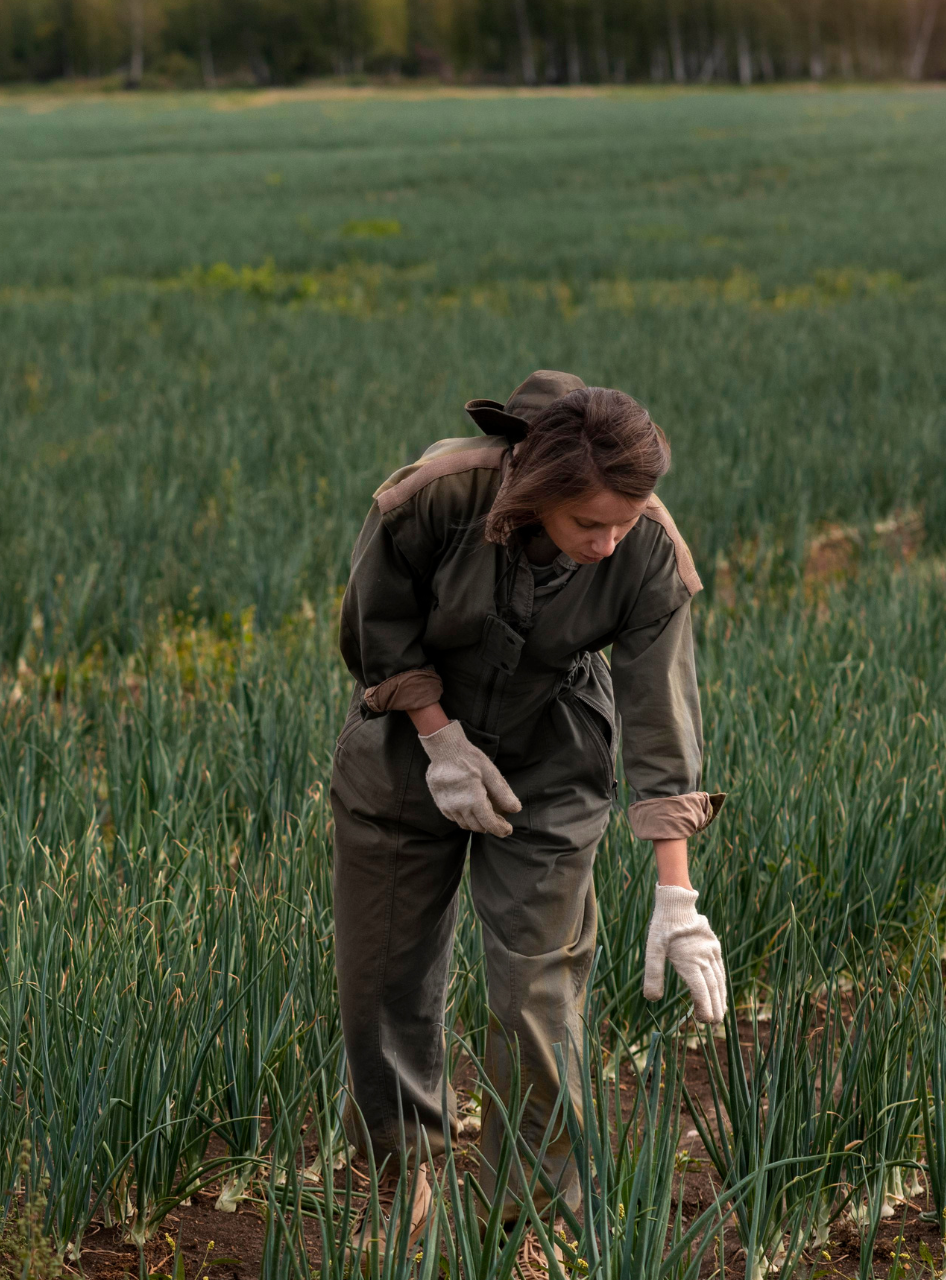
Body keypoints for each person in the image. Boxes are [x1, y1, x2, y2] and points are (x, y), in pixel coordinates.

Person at [329, 370, 728, 1239]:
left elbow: (661, 714)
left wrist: (676, 894)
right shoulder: (440, 498)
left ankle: (535, 1220)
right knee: (382, 982)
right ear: (540, 494)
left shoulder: (648, 549)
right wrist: (439, 737)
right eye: (590, 522)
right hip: (409, 742)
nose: (609, 541)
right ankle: (406, 1185)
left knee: (537, 991)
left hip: (552, 750)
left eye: (626, 519)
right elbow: (374, 624)